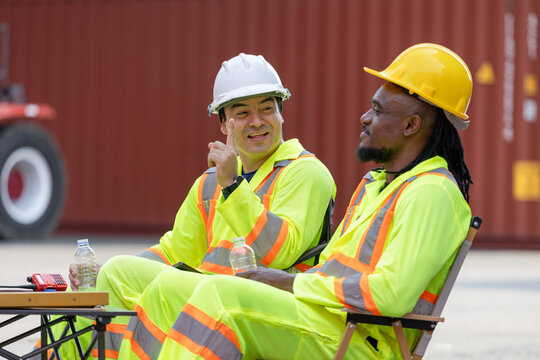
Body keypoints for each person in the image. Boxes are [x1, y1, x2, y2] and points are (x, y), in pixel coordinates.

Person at [143, 43, 474, 359]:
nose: (364, 117)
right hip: (326, 321)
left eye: (377, 109)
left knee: (220, 294)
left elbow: (392, 295)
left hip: (361, 340)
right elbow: (332, 266)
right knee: (171, 288)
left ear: (411, 125)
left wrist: (288, 282)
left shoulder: (432, 193)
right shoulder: (376, 185)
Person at [40, 53, 335, 359]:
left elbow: (280, 251)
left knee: (167, 286)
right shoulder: (210, 182)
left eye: (266, 109)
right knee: (116, 272)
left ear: (281, 114)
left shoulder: (305, 172)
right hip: (206, 288)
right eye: (242, 113)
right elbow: (175, 252)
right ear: (223, 124)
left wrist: (233, 186)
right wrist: (105, 272)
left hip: (262, 300)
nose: (257, 120)